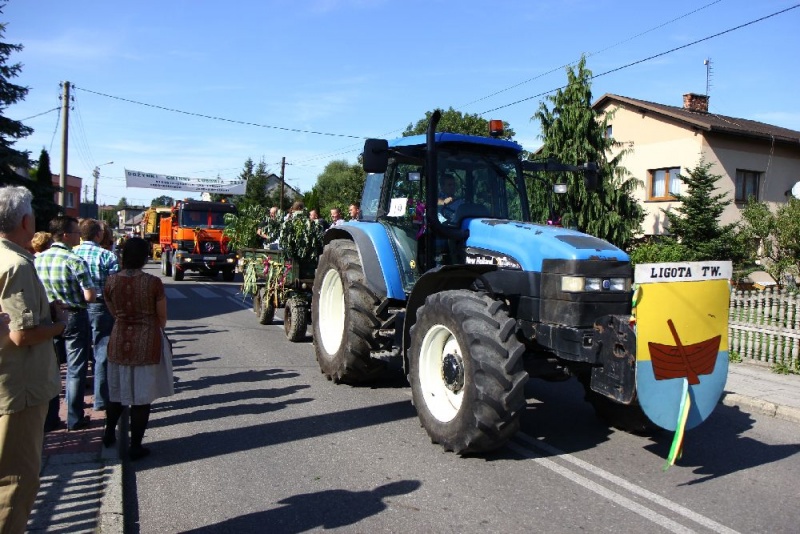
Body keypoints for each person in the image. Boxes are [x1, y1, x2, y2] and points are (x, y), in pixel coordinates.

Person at [0, 186, 64, 533]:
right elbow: (20, 334)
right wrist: (58, 324)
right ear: (26, 221)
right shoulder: (18, 264)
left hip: (8, 381)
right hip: (18, 386)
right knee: (16, 482)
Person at [103, 237, 172, 461]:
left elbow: (112, 310)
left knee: (116, 392)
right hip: (146, 341)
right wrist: (150, 326)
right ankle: (135, 446)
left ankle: (108, 433)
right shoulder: (153, 283)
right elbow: (162, 317)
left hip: (119, 338)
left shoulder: (111, 281)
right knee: (141, 398)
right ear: (144, 258)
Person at [34, 216, 97, 431]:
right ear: (66, 235)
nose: (79, 236)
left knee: (50, 369)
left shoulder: (38, 259)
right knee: (75, 369)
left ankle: (50, 419)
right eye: (77, 233)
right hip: (74, 315)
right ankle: (74, 418)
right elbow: (89, 296)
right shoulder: (74, 260)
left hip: (47, 317)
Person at [74, 219, 119, 412]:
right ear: (98, 235)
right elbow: (115, 287)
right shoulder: (107, 256)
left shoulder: (70, 254)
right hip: (101, 306)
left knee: (77, 355)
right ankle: (101, 400)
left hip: (75, 307)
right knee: (102, 353)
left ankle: (74, 404)